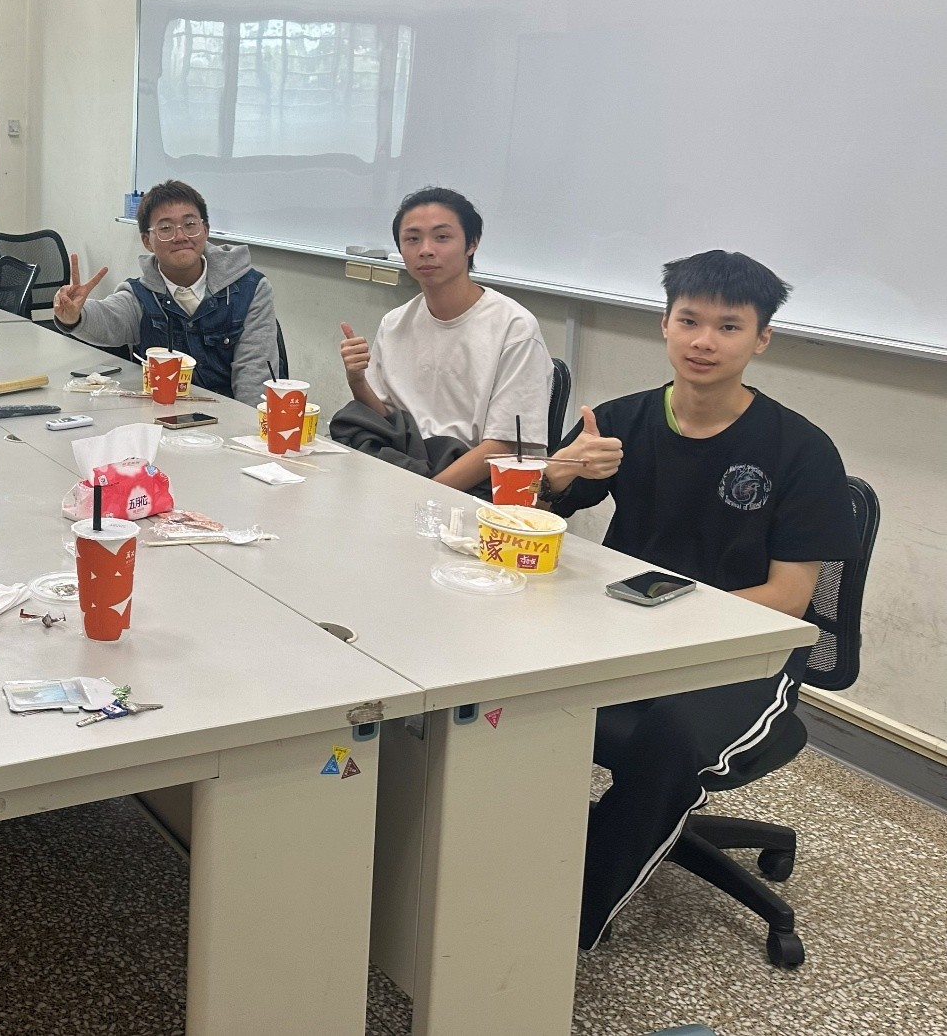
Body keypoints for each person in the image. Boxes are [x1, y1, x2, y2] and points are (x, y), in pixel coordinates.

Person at [540, 250, 856, 948]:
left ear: (761, 338)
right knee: (511, 685)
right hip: (626, 630)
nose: (703, 341)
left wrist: (668, 618)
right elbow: (530, 519)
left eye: (728, 326)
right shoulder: (619, 422)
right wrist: (557, 475)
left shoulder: (799, 450)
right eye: (688, 321)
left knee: (670, 737)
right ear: (664, 324)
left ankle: (567, 928)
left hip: (745, 656)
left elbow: (788, 597)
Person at [335, 186, 552, 489]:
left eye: (442, 237)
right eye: (412, 239)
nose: (425, 250)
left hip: (475, 480)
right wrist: (357, 379)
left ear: (471, 244)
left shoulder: (514, 328)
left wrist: (426, 493)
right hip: (407, 465)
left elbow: (504, 445)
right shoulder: (395, 323)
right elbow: (386, 419)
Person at [50, 179, 278, 405]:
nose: (180, 237)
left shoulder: (250, 289)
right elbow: (109, 317)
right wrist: (74, 316)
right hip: (161, 415)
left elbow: (254, 380)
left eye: (190, 224)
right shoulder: (141, 295)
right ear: (147, 241)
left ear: (205, 230)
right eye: (166, 228)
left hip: (230, 416)